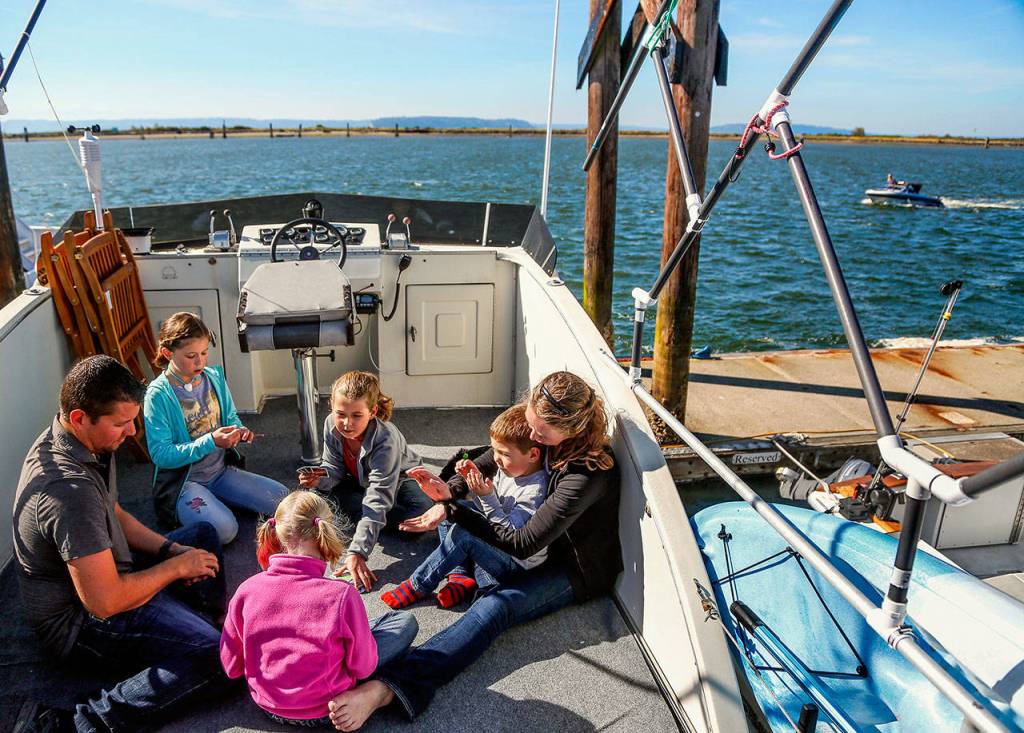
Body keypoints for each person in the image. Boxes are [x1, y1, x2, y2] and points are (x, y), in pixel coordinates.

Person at [327, 371, 622, 731]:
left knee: (494, 606)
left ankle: (389, 688)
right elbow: (482, 457)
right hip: (515, 533)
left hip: (567, 567)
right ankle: (462, 574)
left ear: (569, 429)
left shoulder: (587, 474)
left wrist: (453, 510)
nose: (531, 435)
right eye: (529, 423)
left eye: (539, 433)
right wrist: (448, 491)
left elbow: (525, 542)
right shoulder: (544, 431)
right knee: (454, 513)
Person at [12, 355, 232, 733]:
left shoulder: (85, 442)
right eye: (121, 423)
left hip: (113, 572)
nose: (132, 432)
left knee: (201, 538)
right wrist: (176, 569)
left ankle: (192, 629)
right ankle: (79, 723)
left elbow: (115, 513)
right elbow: (105, 602)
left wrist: (171, 552)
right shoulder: (68, 492)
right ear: (80, 417)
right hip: (80, 624)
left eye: (133, 419)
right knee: (219, 657)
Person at [219, 491, 418, 727]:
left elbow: (231, 667)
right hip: (327, 709)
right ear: (326, 531)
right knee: (403, 622)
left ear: (277, 531)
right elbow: (363, 668)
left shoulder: (247, 589)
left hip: (267, 705)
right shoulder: (342, 595)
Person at [380, 403, 549, 610]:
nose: (496, 459)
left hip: (515, 564)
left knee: (462, 533)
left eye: (504, 454)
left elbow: (511, 537)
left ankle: (418, 584)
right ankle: (459, 577)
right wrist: (470, 484)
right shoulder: (513, 468)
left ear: (533, 455)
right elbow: (484, 509)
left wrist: (486, 497)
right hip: (496, 540)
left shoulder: (536, 491)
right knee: (451, 507)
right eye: (493, 451)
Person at [145, 312, 288, 544]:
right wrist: (211, 441)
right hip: (186, 481)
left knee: (282, 498)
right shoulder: (158, 395)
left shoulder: (214, 378)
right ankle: (200, 504)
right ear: (167, 353)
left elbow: (231, 418)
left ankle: (213, 501)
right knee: (225, 531)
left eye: (204, 353)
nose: (200, 362)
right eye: (191, 355)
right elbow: (161, 455)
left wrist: (239, 432)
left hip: (220, 472)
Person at [297, 370, 433, 592]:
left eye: (356, 415)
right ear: (331, 406)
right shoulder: (331, 424)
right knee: (318, 495)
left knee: (419, 516)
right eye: (340, 414)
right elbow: (333, 469)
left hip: (400, 479)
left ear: (373, 411)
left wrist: (358, 551)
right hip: (359, 481)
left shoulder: (386, 438)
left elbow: (379, 494)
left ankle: (364, 517)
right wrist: (319, 479)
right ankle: (368, 517)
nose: (347, 423)